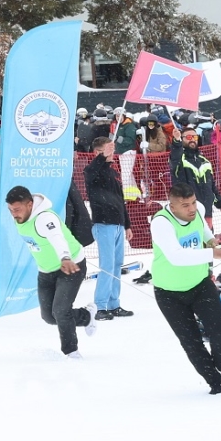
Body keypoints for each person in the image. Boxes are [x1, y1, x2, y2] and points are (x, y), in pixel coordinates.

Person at [149, 180, 221, 393]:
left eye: (193, 202)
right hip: (169, 292)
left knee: (219, 329)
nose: (191, 209)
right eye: (185, 205)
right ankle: (215, 383)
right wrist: (213, 254)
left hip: (199, 283)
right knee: (191, 340)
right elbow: (176, 257)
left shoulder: (197, 210)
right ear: (172, 206)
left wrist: (212, 242)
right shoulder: (161, 222)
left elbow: (203, 231)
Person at [3, 184, 95, 357]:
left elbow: (57, 238)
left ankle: (71, 353)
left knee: (60, 310)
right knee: (50, 317)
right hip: (45, 271)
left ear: (30, 204)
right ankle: (86, 316)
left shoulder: (44, 218)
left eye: (16, 209)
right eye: (10, 210)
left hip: (70, 266)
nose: (13, 214)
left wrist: (65, 257)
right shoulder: (21, 218)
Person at [83, 134, 132, 319]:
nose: (113, 153)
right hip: (104, 224)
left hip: (118, 225)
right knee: (107, 265)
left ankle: (114, 304)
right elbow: (91, 171)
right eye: (108, 150)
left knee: (117, 265)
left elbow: (121, 200)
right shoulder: (93, 171)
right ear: (98, 153)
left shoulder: (113, 172)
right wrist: (102, 157)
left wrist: (127, 224)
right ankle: (100, 306)